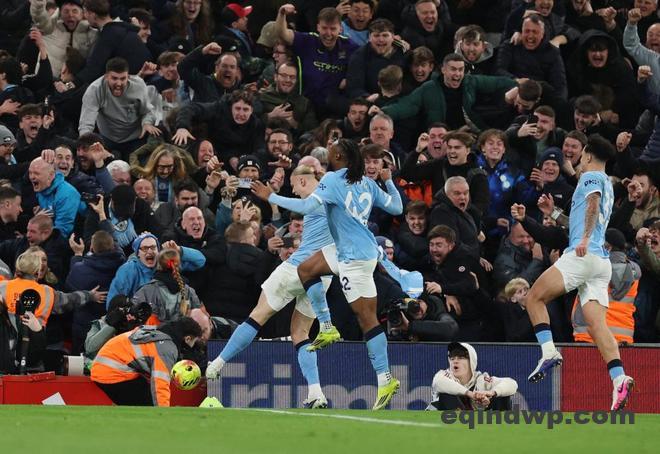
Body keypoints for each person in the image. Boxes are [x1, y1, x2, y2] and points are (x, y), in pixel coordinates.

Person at [250, 138, 403, 410]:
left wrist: (270, 196)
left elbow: (307, 207)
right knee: (306, 268)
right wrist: (388, 181)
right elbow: (397, 208)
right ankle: (327, 326)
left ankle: (385, 379)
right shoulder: (367, 183)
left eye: (331, 152)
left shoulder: (333, 180)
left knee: (367, 319)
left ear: (340, 157)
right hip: (351, 249)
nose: (328, 156)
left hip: (353, 259)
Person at [206, 163, 336, 408]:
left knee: (258, 316)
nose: (294, 191)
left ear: (304, 180)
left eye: (295, 185)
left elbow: (303, 203)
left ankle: (217, 364)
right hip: (323, 275)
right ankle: (316, 392)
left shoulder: (316, 199)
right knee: (301, 334)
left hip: (297, 267)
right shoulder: (336, 201)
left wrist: (272, 197)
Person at [524, 134, 634, 411]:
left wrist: (584, 238)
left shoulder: (591, 178)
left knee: (534, 298)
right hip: (600, 263)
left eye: (582, 155)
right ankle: (619, 378)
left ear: (587, 154)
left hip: (583, 255)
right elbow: (582, 217)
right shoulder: (607, 182)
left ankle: (549, 352)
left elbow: (592, 204)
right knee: (597, 325)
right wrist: (554, 214)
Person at [91, 316, 202, 406]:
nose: (193, 346)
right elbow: (160, 382)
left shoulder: (157, 332)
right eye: (194, 342)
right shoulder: (167, 348)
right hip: (111, 372)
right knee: (148, 406)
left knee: (142, 396)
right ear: (187, 338)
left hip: (105, 367)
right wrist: (163, 413)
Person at [78, 57, 160, 160]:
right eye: (114, 78)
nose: (119, 84)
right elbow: (86, 123)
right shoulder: (95, 89)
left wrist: (147, 123)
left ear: (128, 76)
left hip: (135, 138)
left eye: (123, 79)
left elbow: (147, 111)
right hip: (107, 138)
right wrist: (89, 145)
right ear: (106, 76)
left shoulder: (138, 85)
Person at [427, 342, 518, 410]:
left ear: (472, 362)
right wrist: (471, 394)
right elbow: (438, 382)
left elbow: (512, 383)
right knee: (447, 395)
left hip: (474, 423)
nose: (455, 361)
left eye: (461, 358)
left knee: (502, 395)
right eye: (452, 358)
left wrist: (491, 393)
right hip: (442, 423)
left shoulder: (481, 379)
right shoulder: (444, 375)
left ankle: (501, 428)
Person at [134, 248, 204, 325]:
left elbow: (134, 314)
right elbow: (199, 318)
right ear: (179, 264)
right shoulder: (189, 291)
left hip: (157, 332)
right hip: (185, 332)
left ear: (159, 264)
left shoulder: (146, 290)